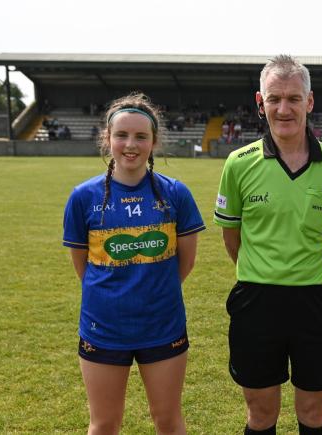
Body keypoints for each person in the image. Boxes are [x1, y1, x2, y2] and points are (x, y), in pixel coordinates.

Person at [214, 55, 322, 435]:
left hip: (318, 300)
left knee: (314, 411)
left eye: (294, 98)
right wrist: (263, 270)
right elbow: (232, 238)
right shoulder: (238, 163)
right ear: (260, 102)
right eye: (274, 98)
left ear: (309, 102)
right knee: (261, 412)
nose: (284, 109)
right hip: (256, 301)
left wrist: (311, 271)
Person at [62, 92, 205, 435]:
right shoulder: (83, 197)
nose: (131, 144)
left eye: (141, 136)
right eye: (122, 135)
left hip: (162, 325)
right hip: (103, 327)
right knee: (104, 424)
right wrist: (112, 295)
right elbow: (83, 267)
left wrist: (154, 292)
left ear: (154, 141)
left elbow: (185, 263)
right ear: (107, 138)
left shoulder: (176, 194)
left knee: (168, 421)